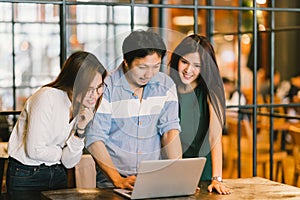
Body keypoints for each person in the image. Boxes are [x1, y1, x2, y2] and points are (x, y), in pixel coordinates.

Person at [85, 30, 182, 189]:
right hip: (112, 182)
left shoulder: (166, 85)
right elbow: (95, 138)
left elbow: (170, 131)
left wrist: (179, 175)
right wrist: (117, 180)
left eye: (156, 66)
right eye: (142, 67)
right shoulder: (106, 87)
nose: (149, 74)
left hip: (153, 179)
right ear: (126, 62)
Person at [6, 51, 107, 199]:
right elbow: (34, 150)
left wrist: (80, 130)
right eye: (88, 89)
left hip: (58, 173)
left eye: (99, 87)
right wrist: (61, 154)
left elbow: (69, 162)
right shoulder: (47, 97)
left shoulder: (84, 109)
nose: (95, 95)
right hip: (27, 175)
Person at [169, 34, 231, 195]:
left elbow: (215, 137)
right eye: (184, 62)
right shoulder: (168, 88)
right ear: (177, 60)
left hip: (203, 171)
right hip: (172, 167)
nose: (189, 70)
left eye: (197, 65)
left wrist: (217, 178)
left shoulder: (211, 92)